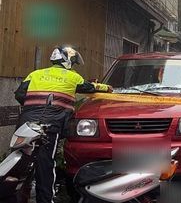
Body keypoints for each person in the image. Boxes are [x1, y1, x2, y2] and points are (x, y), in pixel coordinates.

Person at [12, 45, 112, 203]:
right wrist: (108, 88)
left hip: (26, 124)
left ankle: (14, 196)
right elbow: (90, 87)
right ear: (68, 61)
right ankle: (45, 200)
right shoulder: (73, 77)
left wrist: (34, 106)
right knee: (45, 164)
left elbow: (20, 94)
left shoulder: (35, 74)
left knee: (18, 161)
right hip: (49, 126)